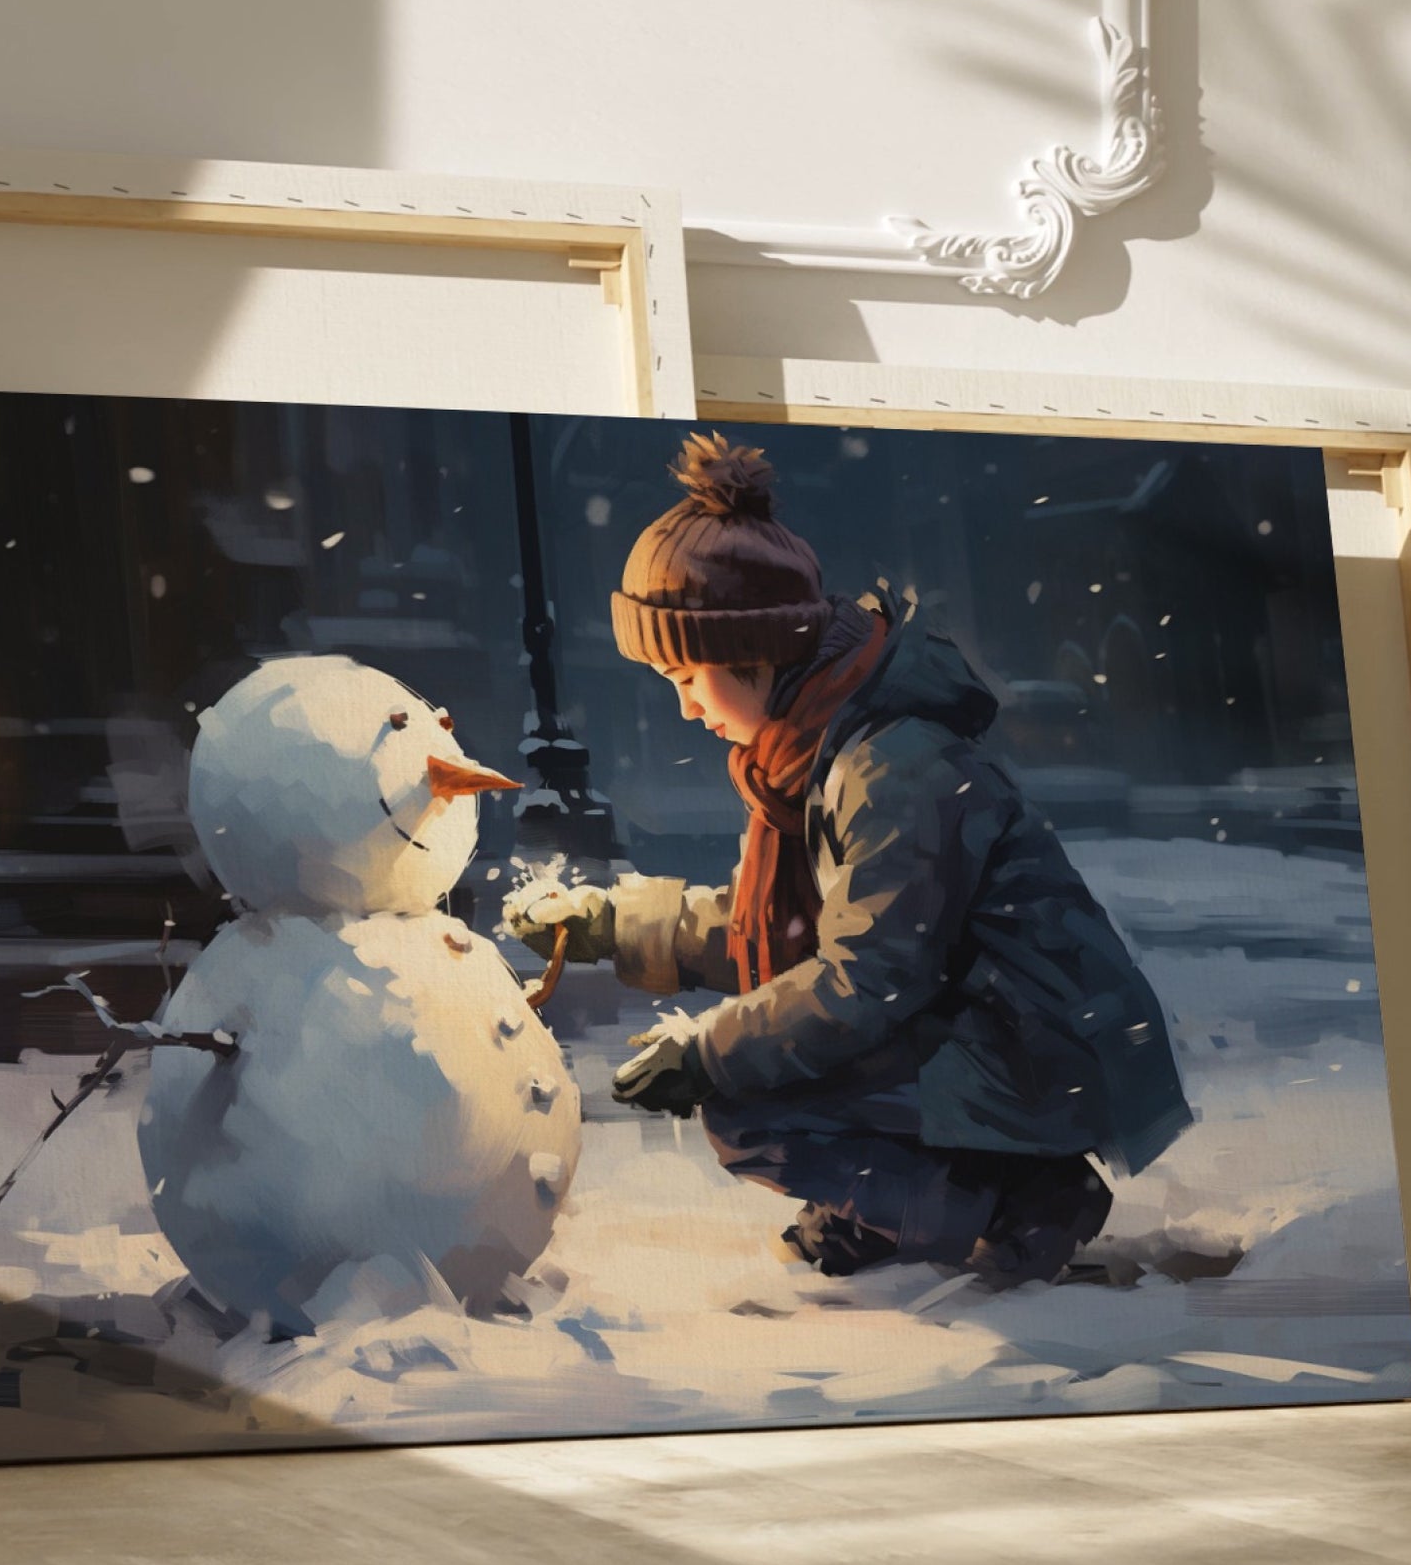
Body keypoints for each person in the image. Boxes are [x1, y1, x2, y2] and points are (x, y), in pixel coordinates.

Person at [504, 432, 1191, 1287]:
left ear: (752, 653)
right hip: (989, 1035)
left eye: (687, 677)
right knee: (759, 1072)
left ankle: (1020, 1195)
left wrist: (707, 1051)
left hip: (1037, 1054)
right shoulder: (821, 752)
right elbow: (791, 930)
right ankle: (928, 1199)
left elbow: (865, 979)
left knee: (747, 1103)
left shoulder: (889, 768)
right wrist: (615, 923)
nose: (684, 709)